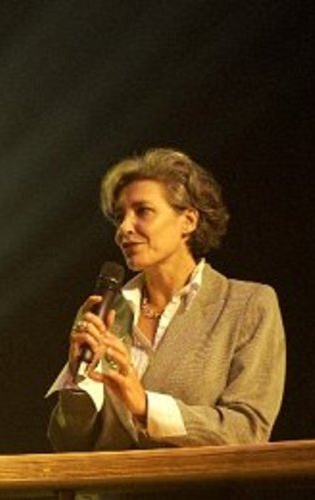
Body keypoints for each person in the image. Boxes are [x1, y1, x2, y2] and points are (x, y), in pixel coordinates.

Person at [46, 148, 285, 450]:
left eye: (143, 211)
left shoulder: (247, 305)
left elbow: (248, 430)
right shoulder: (106, 313)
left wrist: (145, 407)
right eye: (119, 217)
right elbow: (67, 444)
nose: (124, 229)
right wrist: (77, 380)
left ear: (189, 220)